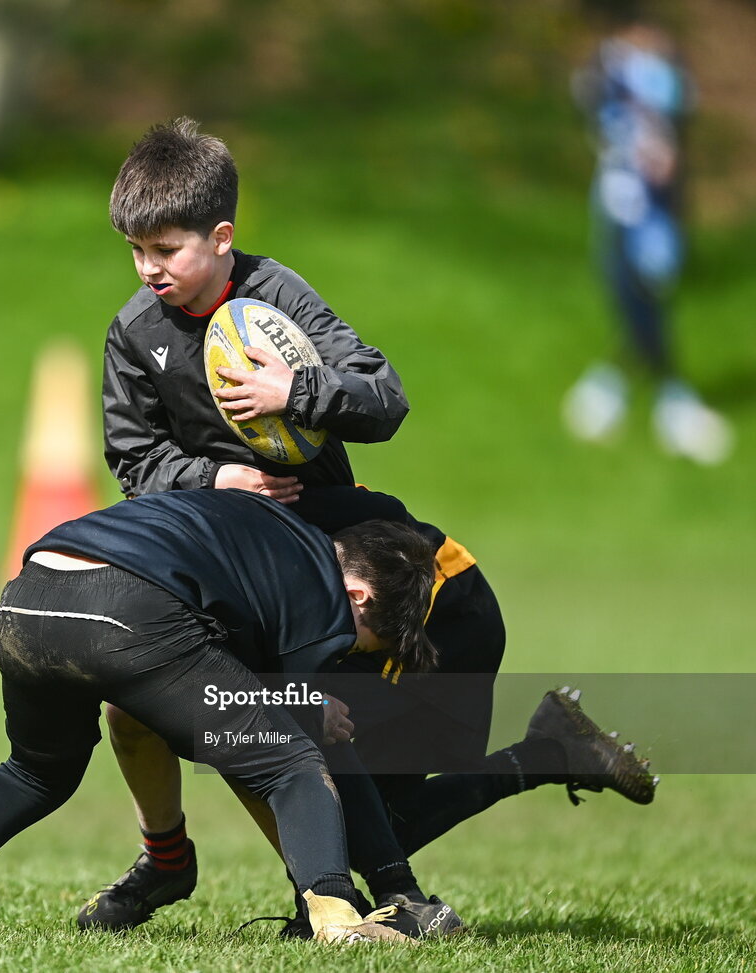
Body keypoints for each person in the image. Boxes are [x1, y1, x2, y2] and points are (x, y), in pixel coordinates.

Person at [88, 117, 656, 937]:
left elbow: (383, 396)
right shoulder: (136, 335)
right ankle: (348, 870)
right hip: (288, 587)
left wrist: (298, 392)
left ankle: (393, 879)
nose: (149, 271)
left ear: (221, 236)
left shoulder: (278, 299)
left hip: (409, 604)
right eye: (136, 251)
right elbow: (135, 463)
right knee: (299, 762)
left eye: (167, 249)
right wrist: (219, 476)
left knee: (354, 800)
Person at [0, 488, 441, 946]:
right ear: (360, 597)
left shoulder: (266, 530)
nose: (345, 653)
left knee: (34, 773)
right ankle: (339, 923)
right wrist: (312, 706)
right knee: (292, 762)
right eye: (364, 644)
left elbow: (228, 680)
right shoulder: (323, 591)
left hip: (28, 595)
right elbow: (286, 719)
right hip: (125, 609)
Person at [562, 19, 733, 464]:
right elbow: (597, 108)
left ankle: (618, 389)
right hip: (623, 203)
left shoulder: (663, 66)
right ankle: (668, 399)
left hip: (658, 211)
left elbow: (677, 128)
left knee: (646, 298)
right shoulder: (609, 65)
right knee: (633, 294)